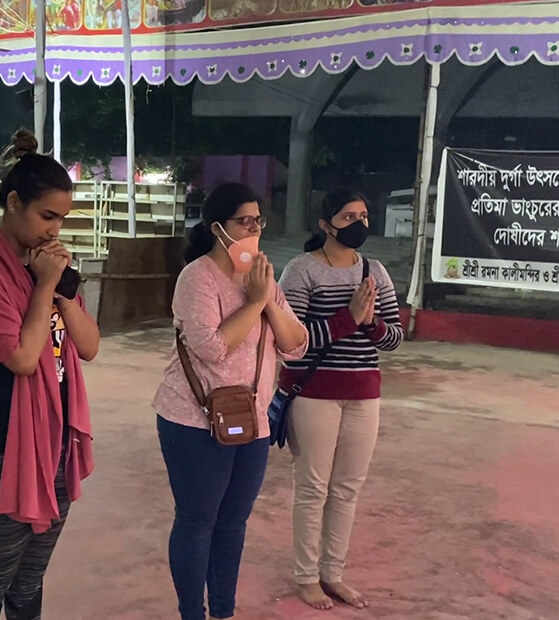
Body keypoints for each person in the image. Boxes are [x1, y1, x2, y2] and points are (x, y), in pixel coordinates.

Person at [0, 129, 100, 620]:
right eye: (47, 216)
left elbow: (89, 346)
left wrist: (58, 288)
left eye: (62, 218)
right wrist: (44, 288)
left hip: (53, 438)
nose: (55, 229)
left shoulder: (47, 266)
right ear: (14, 203)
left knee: (31, 576)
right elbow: (21, 357)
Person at [152, 182, 308, 620]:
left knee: (232, 524)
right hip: (193, 420)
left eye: (259, 220)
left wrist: (267, 299)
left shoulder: (261, 277)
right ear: (218, 227)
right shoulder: (197, 278)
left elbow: (296, 345)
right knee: (198, 521)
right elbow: (212, 348)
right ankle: (192, 613)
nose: (255, 229)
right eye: (245, 221)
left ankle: (222, 610)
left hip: (252, 419)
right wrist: (256, 301)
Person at [273, 187, 403, 611]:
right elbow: (292, 342)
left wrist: (368, 323)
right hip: (314, 394)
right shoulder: (301, 270)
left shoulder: (375, 271)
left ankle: (334, 573)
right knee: (313, 487)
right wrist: (348, 317)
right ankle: (307, 577)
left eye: (363, 215)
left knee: (348, 488)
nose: (359, 224)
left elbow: (395, 338)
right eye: (348, 217)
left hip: (364, 394)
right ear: (326, 225)